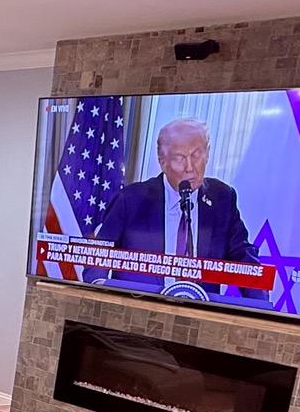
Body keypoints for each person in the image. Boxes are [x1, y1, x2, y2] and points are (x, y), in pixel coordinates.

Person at [91, 118, 262, 297]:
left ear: (208, 153)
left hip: (200, 317)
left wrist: (261, 307)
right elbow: (98, 254)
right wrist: (101, 291)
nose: (190, 167)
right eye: (180, 158)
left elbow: (243, 257)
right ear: (162, 161)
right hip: (140, 312)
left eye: (196, 155)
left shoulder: (222, 199)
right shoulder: (131, 200)